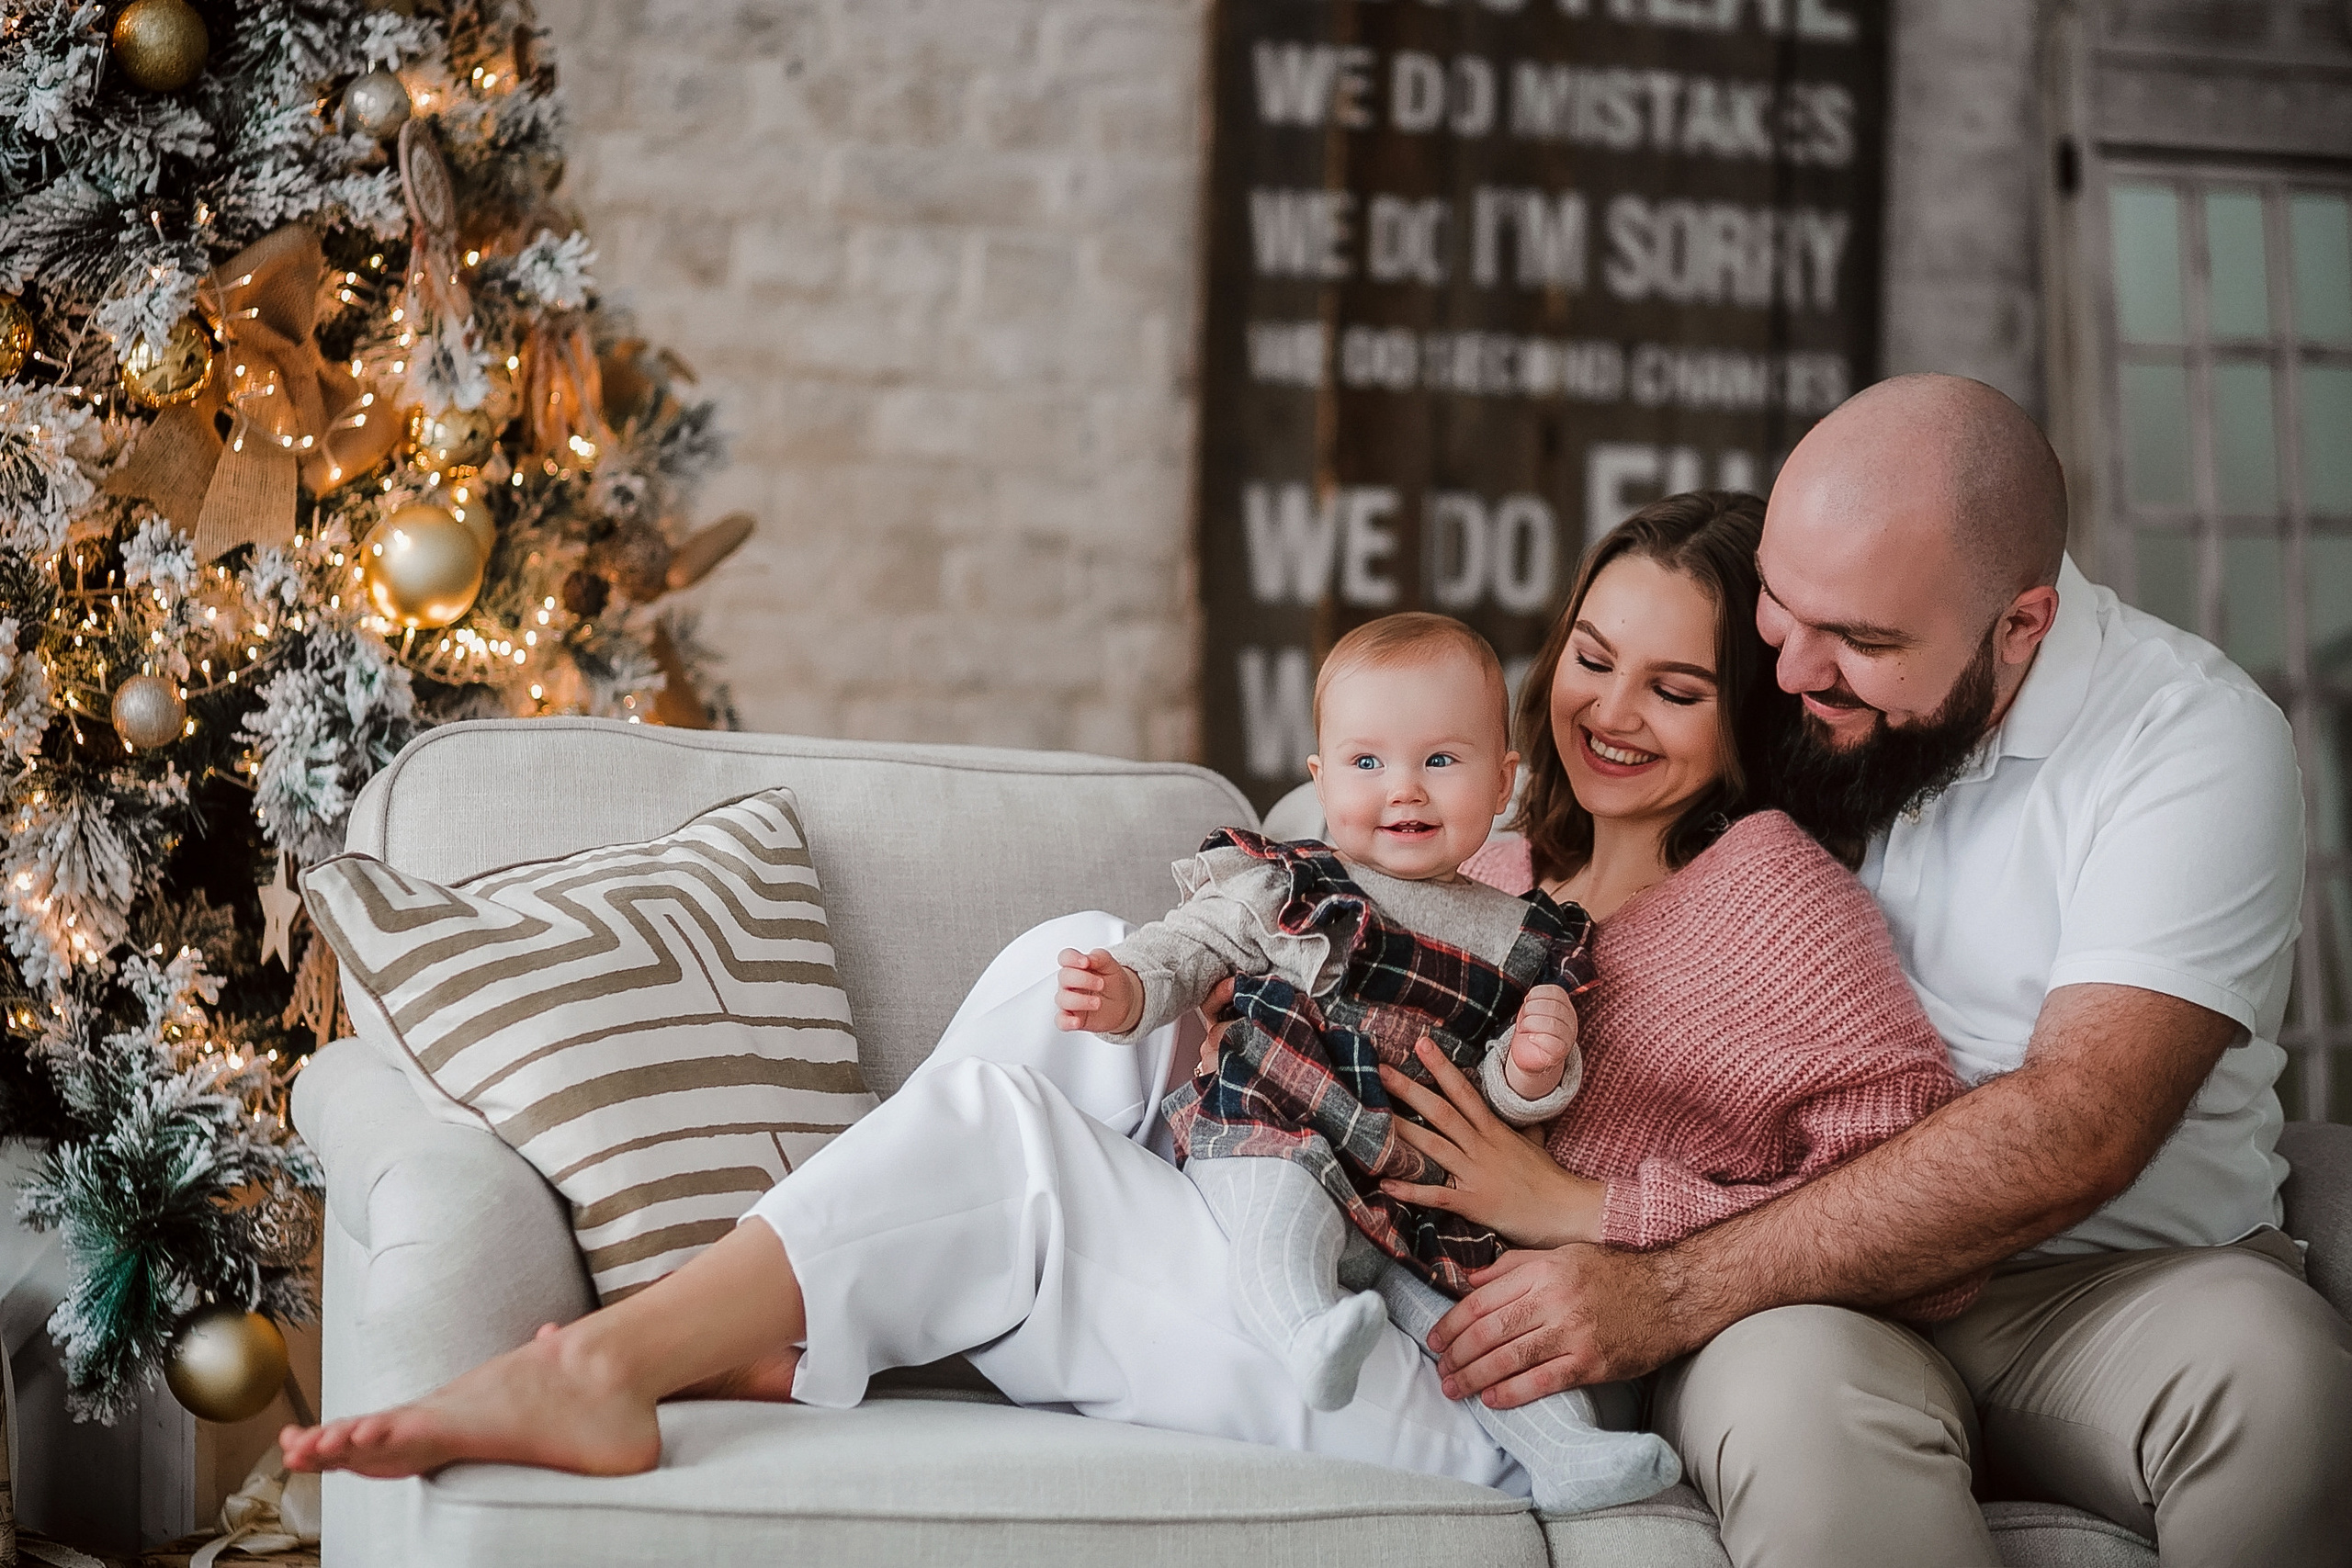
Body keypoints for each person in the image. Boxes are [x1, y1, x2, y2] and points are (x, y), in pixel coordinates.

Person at [276, 492, 1973, 1530]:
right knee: (1084, 967)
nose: (1613, 705)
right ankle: (653, 1347)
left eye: (1676, 687)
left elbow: (1921, 1202)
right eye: (1594, 654)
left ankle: (692, 1330)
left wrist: (1597, 1214)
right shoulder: (1485, 850)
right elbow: (1270, 942)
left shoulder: (1773, 901)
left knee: (1029, 1111)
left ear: (1750, 719)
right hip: (1289, 1264)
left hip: (1445, 1371)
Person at [1428, 374, 2352, 1567]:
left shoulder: (2188, 741)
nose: (1800, 672)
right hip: (1803, 1290)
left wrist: (1659, 1285)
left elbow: (2079, 1125)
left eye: (1862, 643)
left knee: (2280, 1387)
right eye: (1780, 609)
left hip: (2106, 1280)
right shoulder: (1801, 693)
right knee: (1808, 1434)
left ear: (2020, 625)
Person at [1052, 613, 1605, 1417]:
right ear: (1322, 780)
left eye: (1441, 759)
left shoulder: (1525, 938)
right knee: (1279, 1221)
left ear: (1502, 781)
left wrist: (1533, 1068)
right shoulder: (1292, 883)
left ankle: (1572, 1455)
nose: (1404, 787)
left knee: (1485, 1330)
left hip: (1417, 1197)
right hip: (1274, 1125)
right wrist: (1128, 990)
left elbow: (1499, 1093)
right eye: (1367, 761)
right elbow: (1189, 944)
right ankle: (1308, 1337)